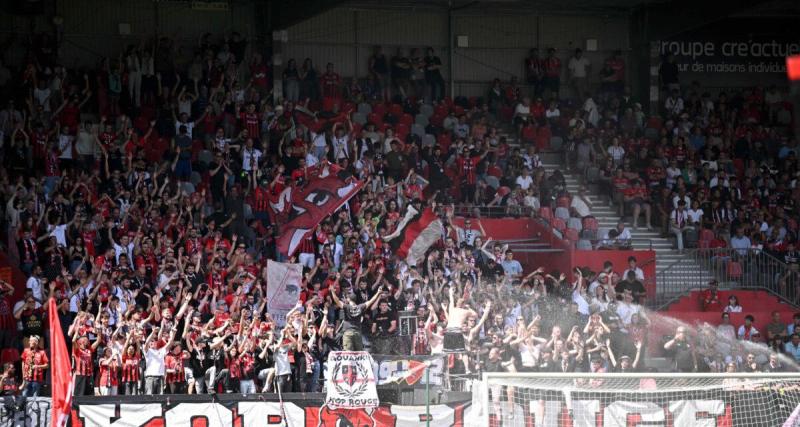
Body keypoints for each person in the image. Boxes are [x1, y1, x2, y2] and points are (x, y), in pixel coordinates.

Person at [330, 280, 382, 351]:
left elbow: (337, 301)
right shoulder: (360, 307)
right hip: (357, 332)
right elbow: (371, 301)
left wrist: (332, 292)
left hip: (348, 332)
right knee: (359, 353)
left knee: (348, 353)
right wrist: (378, 293)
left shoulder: (346, 307)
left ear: (348, 299)